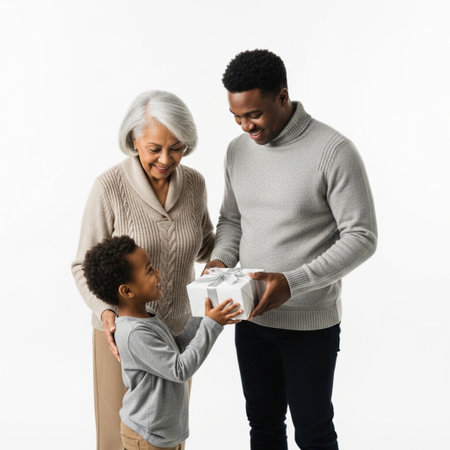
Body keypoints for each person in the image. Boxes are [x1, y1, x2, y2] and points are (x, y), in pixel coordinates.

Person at [204, 49, 378, 450]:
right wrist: (220, 262)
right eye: (236, 117)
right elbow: (232, 220)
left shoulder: (334, 151)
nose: (246, 126)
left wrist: (292, 282)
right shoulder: (236, 151)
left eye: (254, 115)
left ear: (282, 97)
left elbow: (361, 236)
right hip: (249, 317)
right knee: (263, 427)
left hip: (309, 324)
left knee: (313, 432)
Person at [71, 90, 215, 450]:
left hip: (178, 335)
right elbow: (81, 264)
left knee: (166, 438)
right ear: (134, 140)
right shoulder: (109, 187)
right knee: (115, 440)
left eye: (177, 147)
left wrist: (242, 233)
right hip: (121, 338)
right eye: (154, 148)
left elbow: (205, 245)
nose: (166, 159)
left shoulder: (195, 184)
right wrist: (105, 313)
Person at [82, 235, 242, 450]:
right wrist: (212, 324)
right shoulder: (133, 333)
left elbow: (176, 348)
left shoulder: (147, 315)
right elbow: (179, 369)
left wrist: (203, 314)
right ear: (127, 291)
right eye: (149, 270)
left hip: (163, 433)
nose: (158, 273)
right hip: (148, 436)